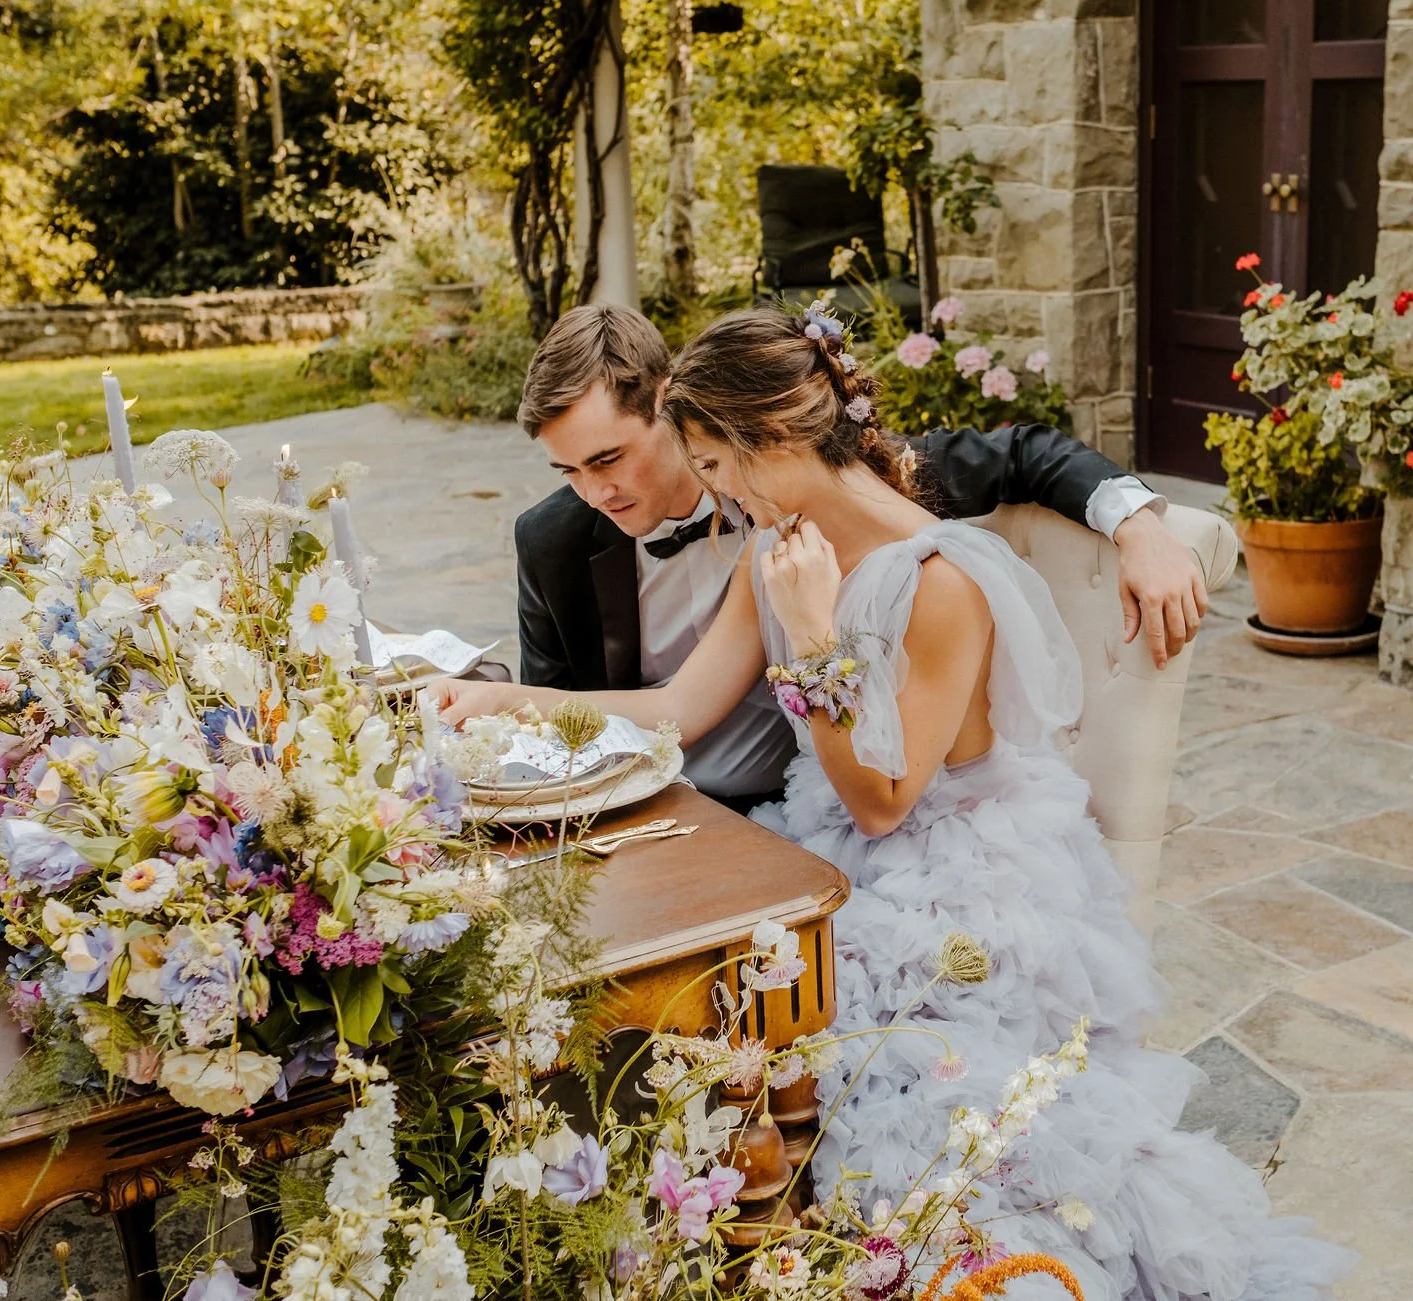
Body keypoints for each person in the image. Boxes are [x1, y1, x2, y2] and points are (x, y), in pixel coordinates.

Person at [435, 308, 1353, 1301]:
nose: (713, 494)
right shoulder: (774, 540)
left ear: (770, 440)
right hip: (828, 835)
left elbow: (881, 800)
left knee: (852, 1063)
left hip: (946, 866)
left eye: (715, 466)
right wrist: (500, 700)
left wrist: (812, 632)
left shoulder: (939, 578)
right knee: (726, 984)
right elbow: (676, 709)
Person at [470, 304, 1206, 812]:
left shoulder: (848, 489)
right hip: (660, 801)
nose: (594, 493)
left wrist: (1138, 522)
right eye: (570, 473)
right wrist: (498, 700)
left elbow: (1026, 451)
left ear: (669, 407)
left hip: (811, 804)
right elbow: (662, 714)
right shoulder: (555, 539)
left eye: (608, 458)